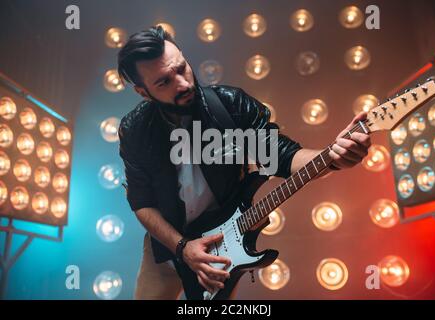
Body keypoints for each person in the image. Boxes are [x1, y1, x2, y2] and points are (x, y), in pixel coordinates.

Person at [117, 26, 371, 300]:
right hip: (167, 246)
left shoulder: (230, 105)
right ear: (143, 92)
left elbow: (283, 157)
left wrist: (333, 156)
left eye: (181, 68)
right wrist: (182, 247)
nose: (183, 84)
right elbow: (141, 202)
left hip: (222, 244)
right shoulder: (135, 130)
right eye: (164, 82)